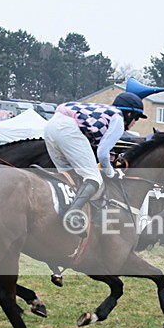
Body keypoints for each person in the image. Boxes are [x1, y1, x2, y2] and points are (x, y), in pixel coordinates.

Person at [44, 91, 147, 233]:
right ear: (129, 114)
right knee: (94, 178)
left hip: (50, 126)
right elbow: (103, 154)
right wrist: (111, 173)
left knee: (69, 176)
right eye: (136, 119)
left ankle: (58, 211)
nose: (135, 123)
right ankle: (72, 214)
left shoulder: (105, 111)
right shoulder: (118, 119)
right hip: (67, 128)